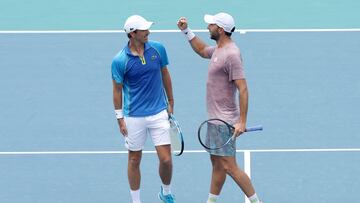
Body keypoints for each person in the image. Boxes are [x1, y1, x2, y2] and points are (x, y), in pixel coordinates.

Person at [177, 13, 262, 203]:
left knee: (230, 166)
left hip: (225, 121)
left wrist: (242, 121)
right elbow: (201, 50)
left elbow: (243, 88)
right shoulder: (219, 50)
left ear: (221, 29)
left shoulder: (231, 54)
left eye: (211, 25)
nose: (208, 27)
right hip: (214, 120)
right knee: (216, 164)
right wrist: (186, 31)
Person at [111, 15, 176, 203]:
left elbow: (165, 74)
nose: (148, 32)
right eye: (144, 30)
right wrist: (119, 118)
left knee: (166, 160)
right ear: (132, 34)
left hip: (158, 112)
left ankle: (166, 192)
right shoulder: (120, 60)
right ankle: (136, 200)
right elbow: (117, 90)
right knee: (134, 159)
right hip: (133, 117)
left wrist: (171, 101)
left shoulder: (158, 49)